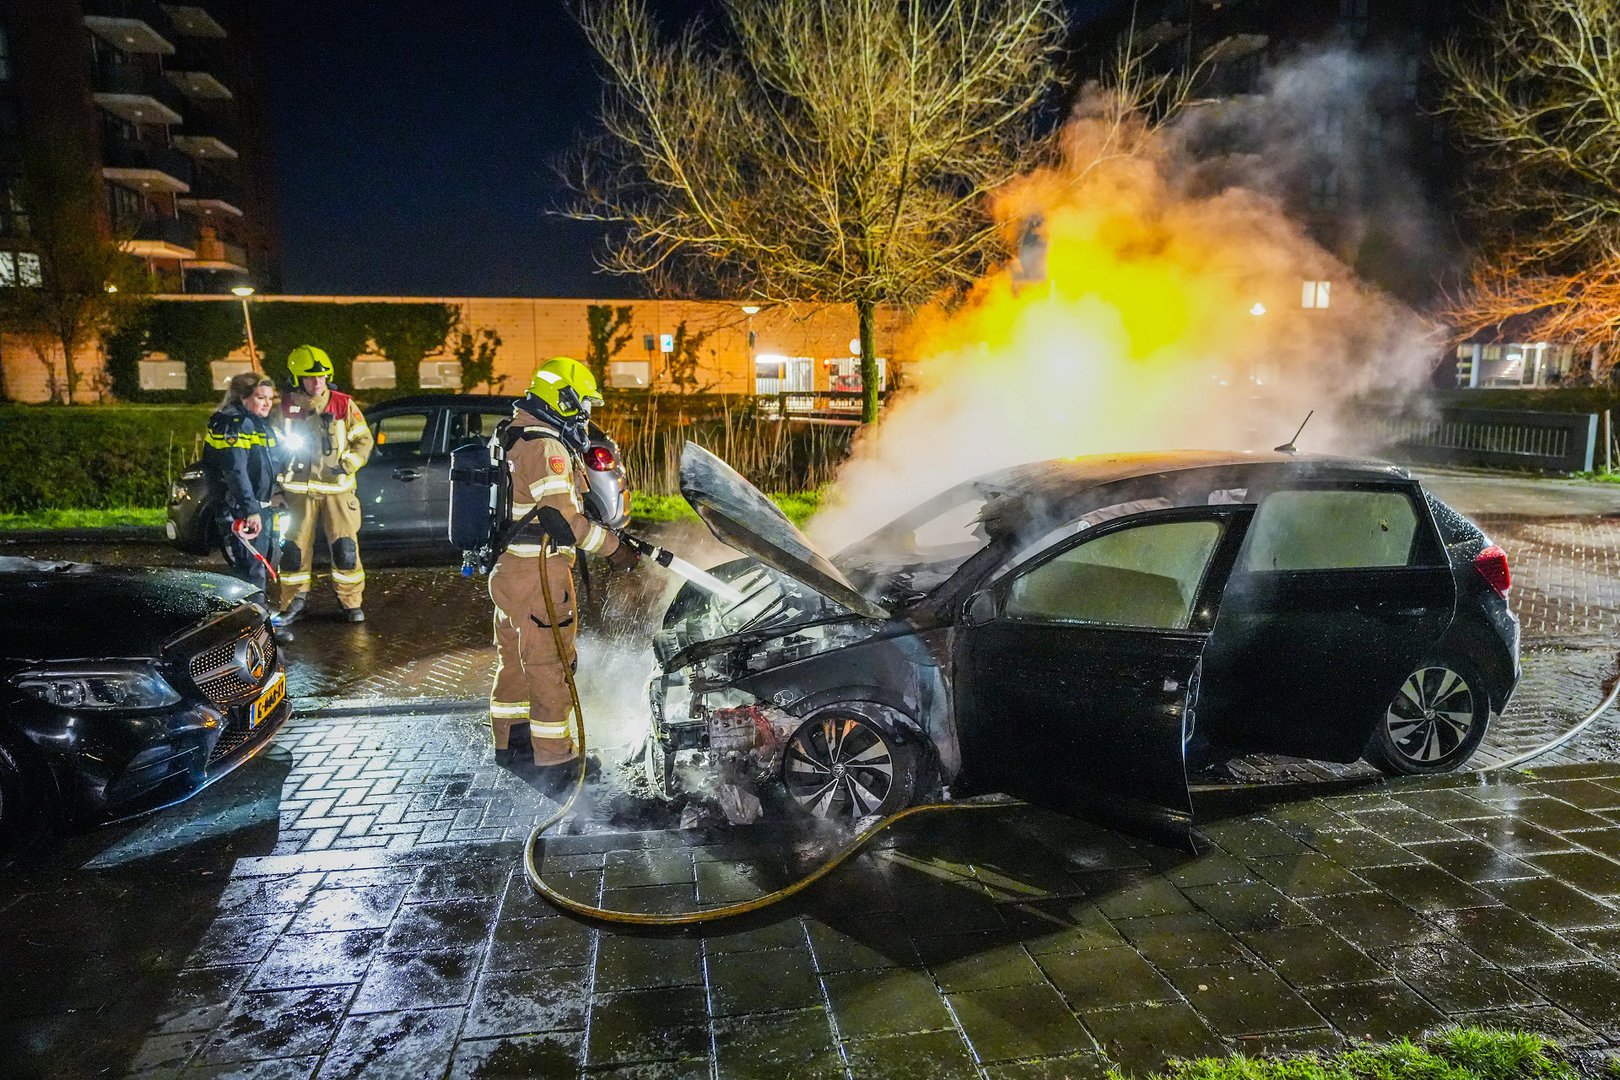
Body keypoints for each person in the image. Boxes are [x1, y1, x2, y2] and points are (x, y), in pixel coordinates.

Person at [490, 356, 640, 776]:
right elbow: (566, 523)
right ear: (565, 398)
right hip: (539, 571)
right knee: (551, 665)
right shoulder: (546, 447)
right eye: (584, 404)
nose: (588, 415)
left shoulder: (512, 432)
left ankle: (512, 745)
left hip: (507, 571)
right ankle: (557, 762)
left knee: (515, 661)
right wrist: (615, 550)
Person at [272, 345, 374, 626]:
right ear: (297, 379)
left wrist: (348, 464)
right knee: (292, 552)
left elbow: (364, 440)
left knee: (345, 549)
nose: (317, 383)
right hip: (297, 493)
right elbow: (274, 451)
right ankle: (293, 602)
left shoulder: (343, 405)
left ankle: (350, 602)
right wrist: (275, 490)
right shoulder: (287, 407)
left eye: (321, 377)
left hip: (337, 491)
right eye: (309, 378)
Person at [202, 372, 292, 640]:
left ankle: (251, 624)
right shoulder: (235, 424)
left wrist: (273, 495)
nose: (267, 404)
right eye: (260, 398)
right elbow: (235, 472)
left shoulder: (254, 422)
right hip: (240, 509)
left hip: (255, 506)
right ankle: (256, 632)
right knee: (250, 569)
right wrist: (251, 509)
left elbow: (264, 466)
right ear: (243, 397)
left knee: (253, 568)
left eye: (269, 398)